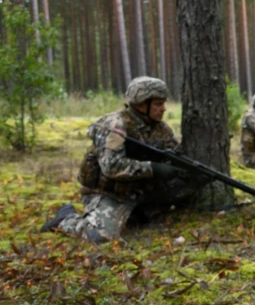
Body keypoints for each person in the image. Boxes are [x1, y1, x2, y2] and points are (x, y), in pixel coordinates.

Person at [40, 77, 205, 244]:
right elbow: (111, 167)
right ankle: (66, 219)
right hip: (108, 193)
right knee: (101, 236)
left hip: (139, 191)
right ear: (141, 105)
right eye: (158, 104)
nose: (163, 109)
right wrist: (153, 168)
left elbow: (174, 153)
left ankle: (137, 215)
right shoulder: (114, 125)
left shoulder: (160, 128)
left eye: (163, 103)